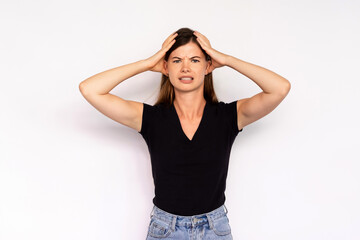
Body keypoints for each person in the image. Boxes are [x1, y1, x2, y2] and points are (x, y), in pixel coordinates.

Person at [79, 27, 291, 239]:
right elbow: (90, 89)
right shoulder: (150, 118)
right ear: (165, 67)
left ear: (209, 66)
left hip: (215, 229)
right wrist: (146, 63)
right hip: (165, 229)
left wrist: (226, 59)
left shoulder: (228, 116)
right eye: (177, 60)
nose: (186, 68)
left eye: (195, 60)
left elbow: (280, 88)